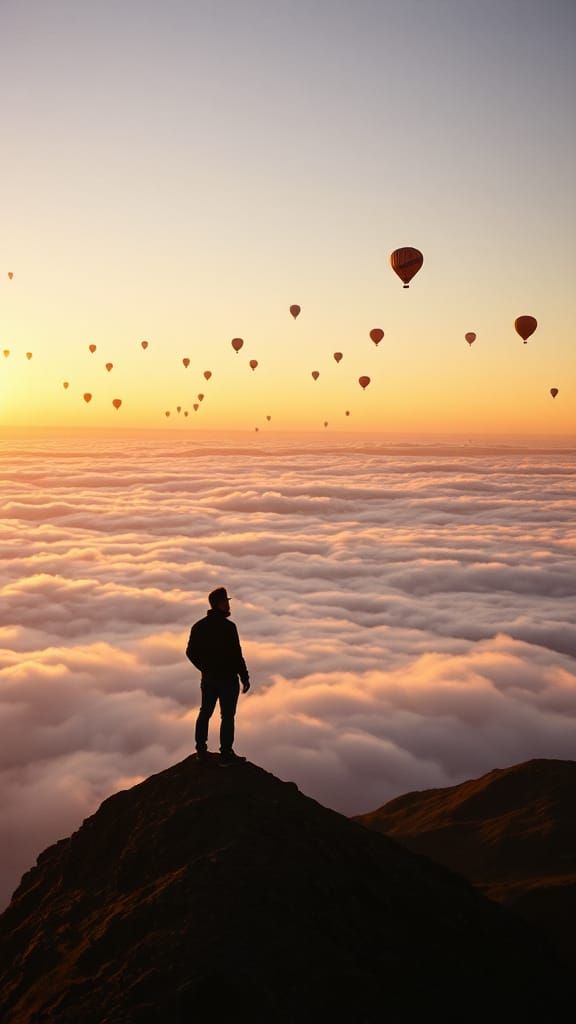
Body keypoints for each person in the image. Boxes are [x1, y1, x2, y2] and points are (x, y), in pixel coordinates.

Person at [186, 587, 250, 766]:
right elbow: (237, 655)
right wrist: (244, 677)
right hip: (228, 679)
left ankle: (201, 751)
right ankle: (226, 754)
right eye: (226, 601)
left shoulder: (199, 626)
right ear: (220, 604)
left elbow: (190, 652)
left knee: (205, 712)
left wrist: (204, 668)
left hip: (208, 679)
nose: (228, 605)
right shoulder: (229, 627)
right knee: (227, 717)